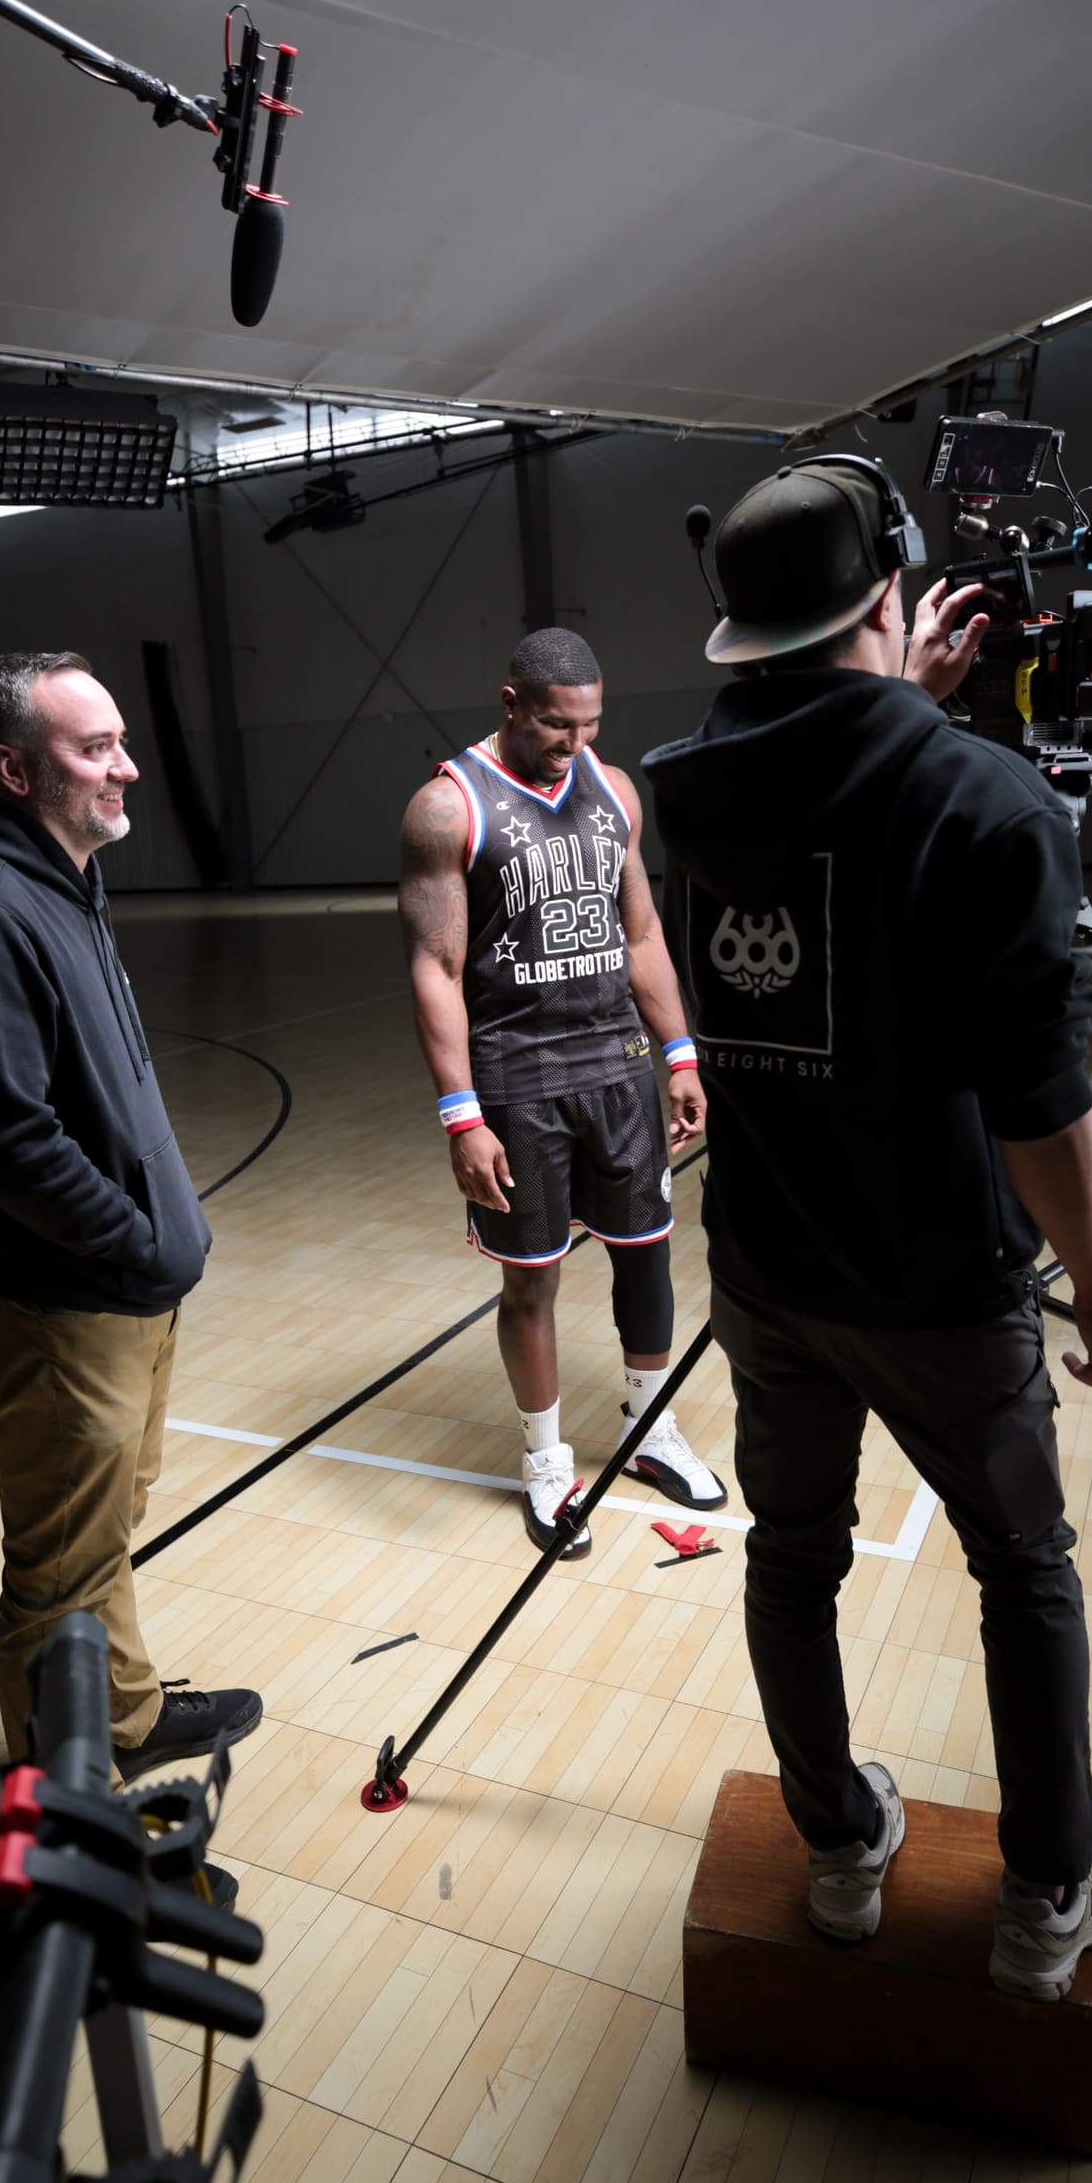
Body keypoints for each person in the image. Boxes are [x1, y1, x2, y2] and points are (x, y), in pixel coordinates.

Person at [643, 457, 1092, 2002]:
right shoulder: (986, 796)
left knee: (790, 1560)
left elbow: (823, 817)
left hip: (772, 1271)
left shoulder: (682, 786)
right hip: (941, 1283)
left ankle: (841, 1848)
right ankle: (1046, 1893)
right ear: (892, 601)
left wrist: (895, 700)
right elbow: (1038, 1099)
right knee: (1025, 1569)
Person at [0, 651, 262, 1779]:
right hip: (57, 1304)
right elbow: (5, 1141)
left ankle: (129, 1717)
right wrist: (141, 1240)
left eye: (119, 742)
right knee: (58, 1572)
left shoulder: (59, 881)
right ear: (12, 768)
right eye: (94, 748)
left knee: (95, 1544)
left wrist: (154, 1252)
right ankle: (63, 1825)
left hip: (116, 1293)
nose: (130, 768)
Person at [398, 626, 727, 1560]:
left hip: (618, 1069)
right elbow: (435, 964)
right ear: (511, 704)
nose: (573, 743)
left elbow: (644, 934)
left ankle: (647, 1426)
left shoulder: (613, 789)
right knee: (531, 1281)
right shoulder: (445, 807)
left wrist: (681, 1053)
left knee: (648, 1258)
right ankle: (547, 1463)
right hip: (518, 1082)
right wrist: (461, 1115)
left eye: (588, 723)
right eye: (554, 725)